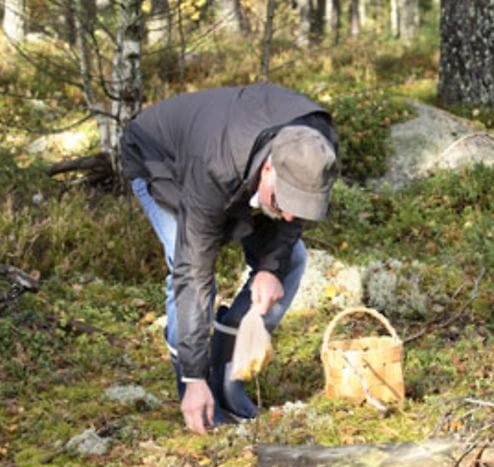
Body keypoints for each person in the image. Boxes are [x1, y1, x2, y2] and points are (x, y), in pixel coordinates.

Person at [120, 84, 338, 434]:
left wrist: (270, 266)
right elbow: (194, 274)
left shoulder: (317, 147)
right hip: (161, 158)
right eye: (282, 201)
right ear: (269, 170)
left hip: (236, 163)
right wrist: (193, 377)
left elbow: (293, 220)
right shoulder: (213, 167)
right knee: (186, 260)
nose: (286, 216)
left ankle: (227, 372)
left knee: (291, 261)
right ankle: (194, 384)